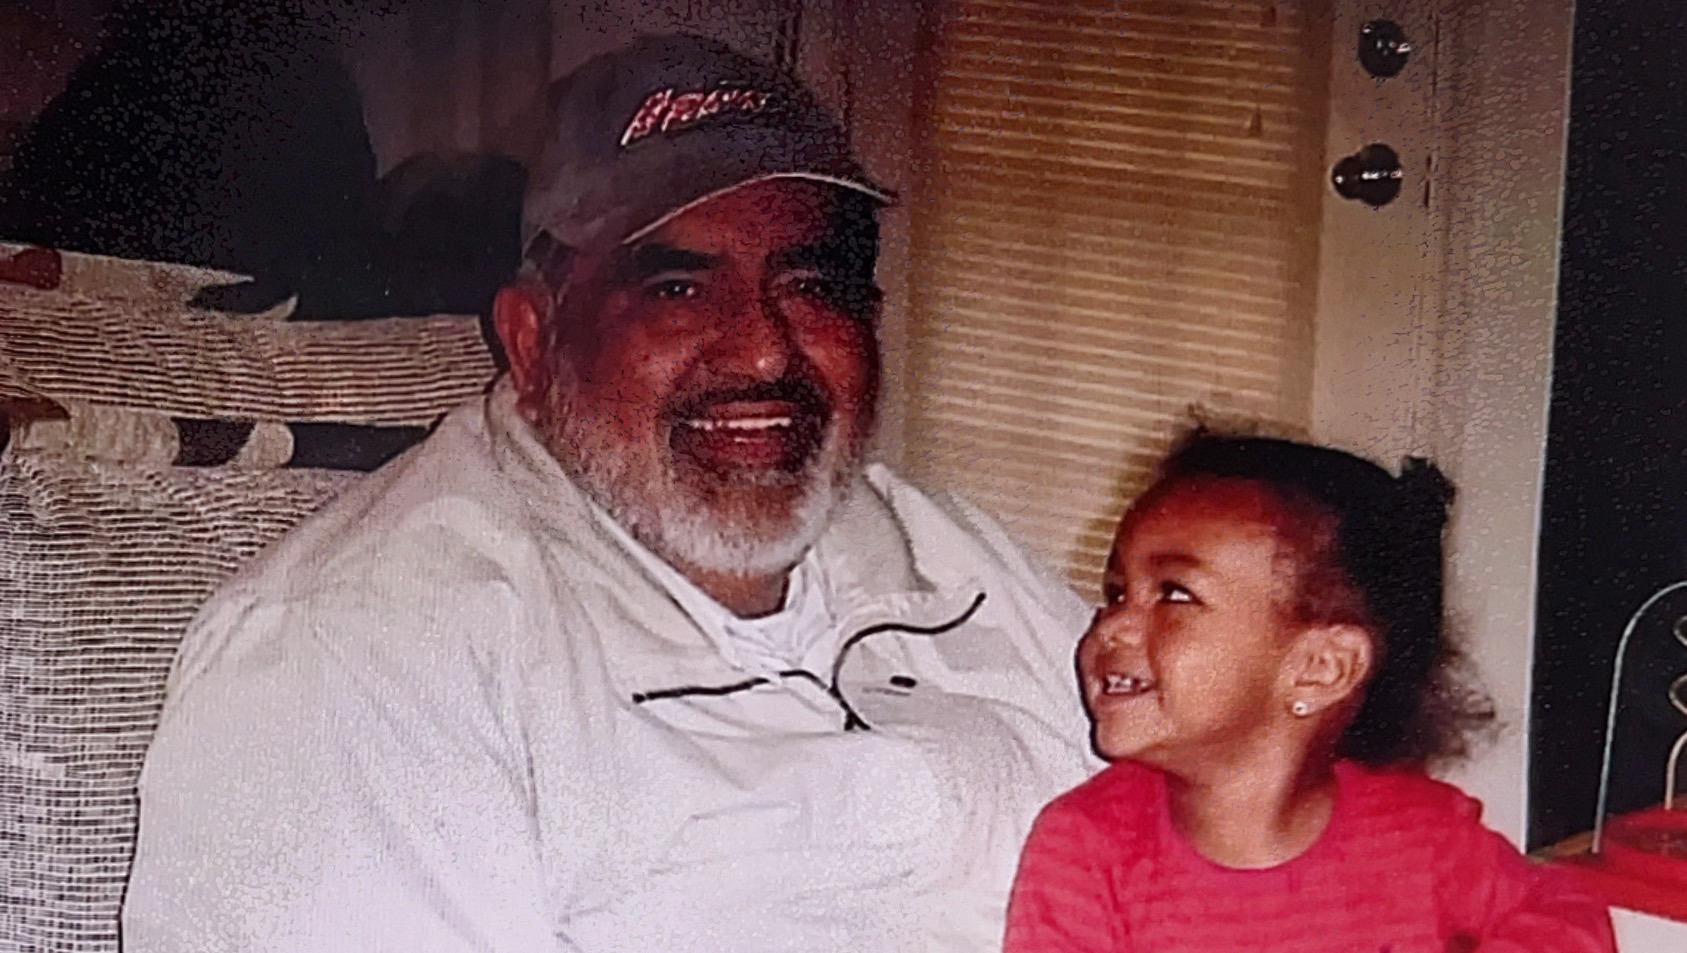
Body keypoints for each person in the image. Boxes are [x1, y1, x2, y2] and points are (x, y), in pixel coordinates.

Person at [121, 34, 1095, 953]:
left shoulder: (957, 555)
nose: (764, 348)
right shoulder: (361, 658)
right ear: (532, 340)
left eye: (812, 284)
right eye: (677, 289)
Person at [1001, 432, 1617, 952]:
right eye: (1116, 593)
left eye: (1174, 594)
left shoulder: (1421, 836)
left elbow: (1570, 916)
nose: (1112, 625)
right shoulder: (1088, 846)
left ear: (1321, 669)